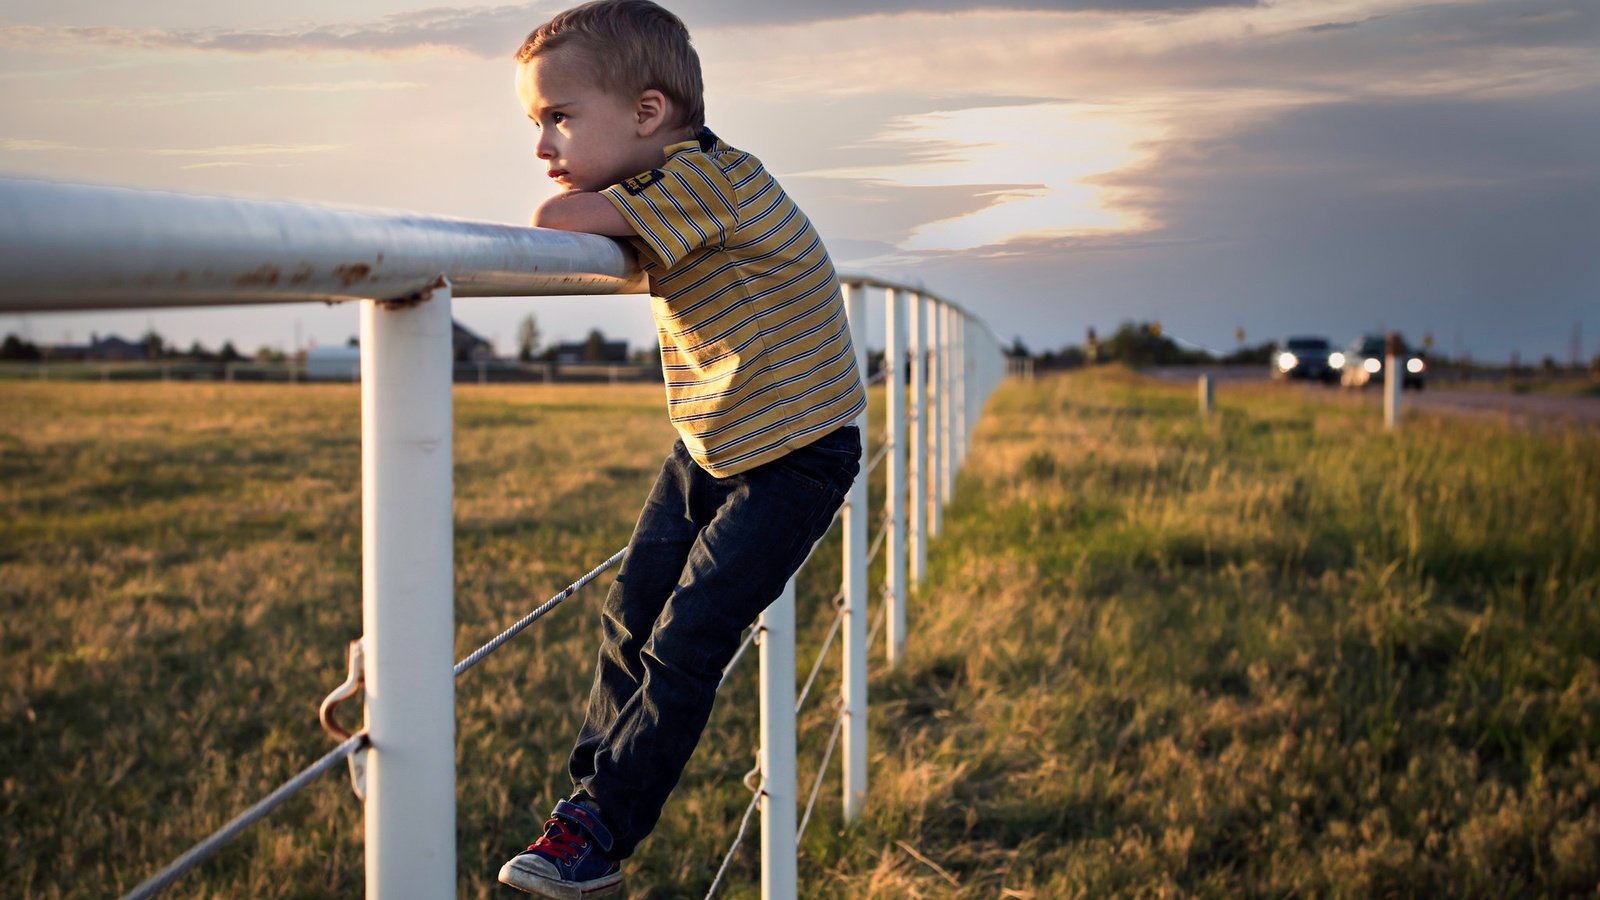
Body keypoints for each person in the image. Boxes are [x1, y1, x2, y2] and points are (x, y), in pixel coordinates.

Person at [498, 1, 867, 895]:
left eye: (559, 117)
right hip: (718, 434)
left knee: (688, 636)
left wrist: (574, 195)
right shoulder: (678, 181)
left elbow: (559, 219)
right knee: (631, 615)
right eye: (534, 123)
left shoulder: (707, 180)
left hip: (798, 448)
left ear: (649, 115)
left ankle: (598, 831)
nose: (542, 144)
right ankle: (581, 809)